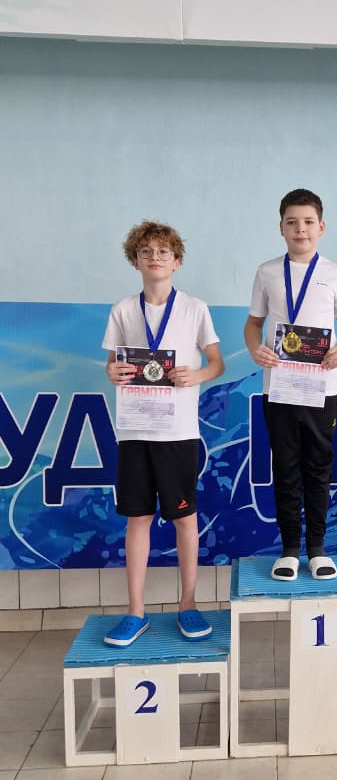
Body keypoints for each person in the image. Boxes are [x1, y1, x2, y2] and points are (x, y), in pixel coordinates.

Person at [103, 220, 224, 647]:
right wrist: (112, 371)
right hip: (135, 430)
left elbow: (217, 363)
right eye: (146, 251)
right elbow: (113, 364)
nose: (155, 257)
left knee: (184, 518)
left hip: (177, 431)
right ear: (135, 260)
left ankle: (188, 604)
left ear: (177, 261)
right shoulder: (123, 310)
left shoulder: (195, 309)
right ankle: (135, 612)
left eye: (163, 251)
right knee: (137, 518)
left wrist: (197, 374)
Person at [244, 188, 337, 581]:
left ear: (321, 227)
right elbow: (253, 324)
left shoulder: (336, 274)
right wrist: (255, 349)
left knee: (318, 467)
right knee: (286, 466)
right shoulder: (267, 272)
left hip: (321, 388)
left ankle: (317, 549)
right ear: (281, 228)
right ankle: (290, 549)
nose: (300, 229)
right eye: (292, 222)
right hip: (279, 387)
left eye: (308, 222)